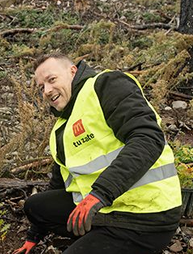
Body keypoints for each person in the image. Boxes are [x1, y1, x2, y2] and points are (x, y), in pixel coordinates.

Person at [13, 53, 182, 254]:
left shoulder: (105, 85)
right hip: (107, 208)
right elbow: (59, 183)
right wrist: (34, 237)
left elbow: (147, 138)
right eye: (41, 87)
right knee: (35, 206)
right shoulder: (62, 128)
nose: (47, 91)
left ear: (72, 71)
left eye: (52, 80)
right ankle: (98, 237)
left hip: (146, 215)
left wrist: (100, 194)